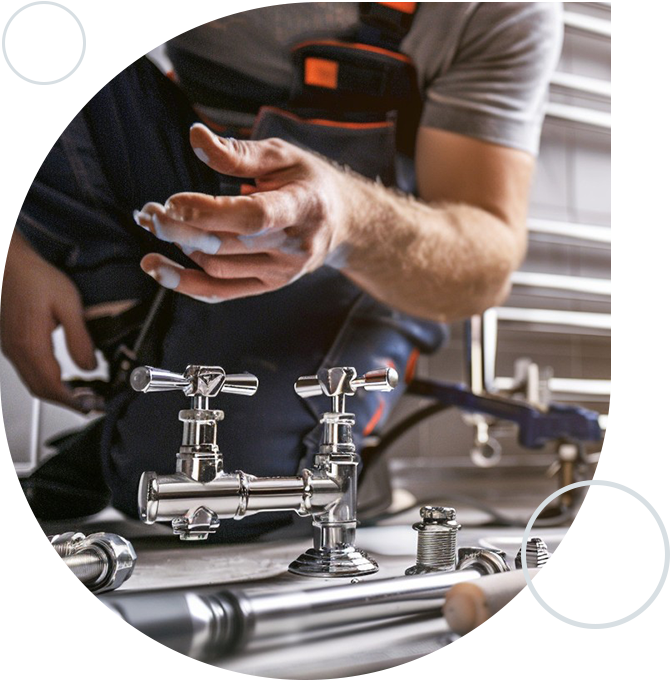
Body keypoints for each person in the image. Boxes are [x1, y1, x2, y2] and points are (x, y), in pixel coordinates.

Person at [1, 3, 563, 539]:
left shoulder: (494, 10)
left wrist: (348, 222)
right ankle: (140, 348)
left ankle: (162, 415)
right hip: (177, 179)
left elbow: (484, 262)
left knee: (201, 493)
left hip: (360, 254)